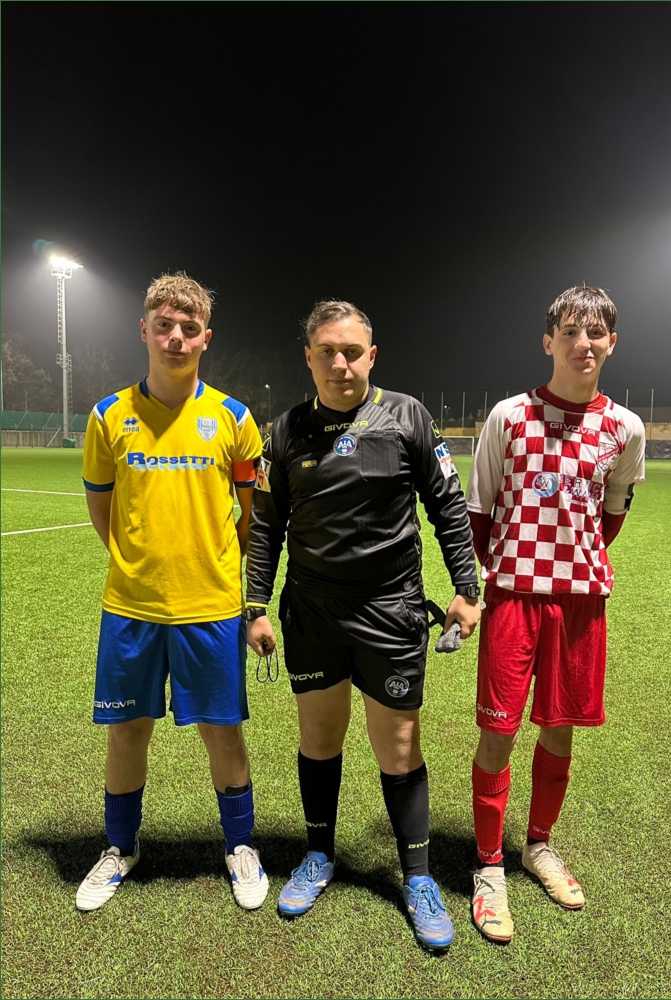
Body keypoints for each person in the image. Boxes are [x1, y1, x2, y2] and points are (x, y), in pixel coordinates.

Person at [244, 300, 481, 949]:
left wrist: (467, 590)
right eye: (327, 351)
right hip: (313, 612)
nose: (340, 363)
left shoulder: (407, 417)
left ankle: (418, 876)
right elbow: (265, 528)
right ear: (309, 357)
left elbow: (448, 507)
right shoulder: (285, 431)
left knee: (398, 747)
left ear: (371, 356)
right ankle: (319, 855)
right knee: (319, 738)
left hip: (390, 611)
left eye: (352, 351)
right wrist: (255, 607)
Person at [77, 272, 268, 912]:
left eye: (189, 328)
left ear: (206, 338)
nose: (176, 338)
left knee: (223, 732)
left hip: (211, 607)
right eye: (164, 325)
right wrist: (138, 561)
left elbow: (250, 517)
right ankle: (120, 847)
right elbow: (102, 511)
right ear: (145, 330)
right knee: (127, 731)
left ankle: (240, 847)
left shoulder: (234, 419)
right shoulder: (108, 416)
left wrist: (209, 566)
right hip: (131, 607)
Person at [466, 285, 645, 943]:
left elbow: (612, 515)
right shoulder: (509, 416)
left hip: (581, 602)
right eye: (570, 332)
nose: (582, 344)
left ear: (611, 343)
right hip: (514, 597)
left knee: (560, 728)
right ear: (549, 341)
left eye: (595, 333)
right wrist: (511, 569)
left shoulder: (625, 428)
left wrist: (571, 564)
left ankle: (538, 845)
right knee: (499, 731)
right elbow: (479, 512)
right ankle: (489, 864)